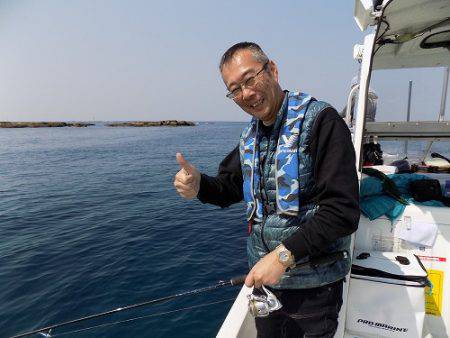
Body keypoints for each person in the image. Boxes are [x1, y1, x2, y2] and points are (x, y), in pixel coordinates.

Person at [173, 42, 359, 338]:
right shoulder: (252, 134)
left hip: (313, 290)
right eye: (234, 89)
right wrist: (199, 185)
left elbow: (343, 212)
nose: (245, 94)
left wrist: (284, 256)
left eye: (250, 80)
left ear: (272, 70)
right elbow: (229, 186)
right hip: (266, 283)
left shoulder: (322, 122)